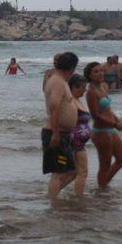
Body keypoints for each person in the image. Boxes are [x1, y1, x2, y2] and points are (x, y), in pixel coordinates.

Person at [43, 52, 79, 203]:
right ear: (71, 67)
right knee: (59, 172)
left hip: (61, 133)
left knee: (71, 171)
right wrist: (56, 134)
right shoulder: (58, 82)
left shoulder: (59, 80)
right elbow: (54, 105)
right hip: (55, 133)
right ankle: (51, 202)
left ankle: (51, 198)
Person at [84, 61, 122, 188]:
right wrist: (114, 124)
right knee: (105, 165)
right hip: (100, 132)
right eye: (96, 71)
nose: (101, 73)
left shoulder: (103, 86)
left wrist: (117, 120)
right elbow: (95, 115)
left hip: (110, 129)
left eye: (101, 70)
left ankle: (103, 186)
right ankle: (102, 190)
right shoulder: (90, 92)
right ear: (90, 75)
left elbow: (108, 109)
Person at [69, 74, 91, 196]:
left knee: (78, 172)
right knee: (80, 172)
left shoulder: (78, 100)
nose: (85, 90)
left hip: (80, 141)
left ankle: (77, 194)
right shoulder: (70, 100)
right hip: (74, 141)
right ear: (75, 87)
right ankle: (78, 196)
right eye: (83, 87)